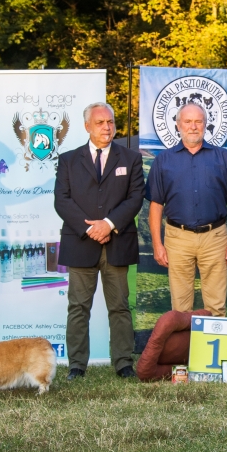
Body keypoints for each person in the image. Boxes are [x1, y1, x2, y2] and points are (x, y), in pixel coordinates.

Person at [54, 102, 144, 380]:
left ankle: (123, 363)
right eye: (101, 123)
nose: (107, 127)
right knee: (78, 307)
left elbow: (135, 197)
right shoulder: (68, 160)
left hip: (117, 243)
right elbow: (62, 201)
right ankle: (76, 366)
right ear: (87, 127)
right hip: (81, 244)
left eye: (110, 122)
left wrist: (109, 224)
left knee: (119, 306)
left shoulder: (131, 158)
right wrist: (90, 229)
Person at [146, 103, 227, 316]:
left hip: (215, 238)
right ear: (178, 125)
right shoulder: (163, 161)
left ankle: (212, 349)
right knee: (180, 308)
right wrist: (157, 244)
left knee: (216, 306)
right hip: (177, 238)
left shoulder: (224, 158)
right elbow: (155, 206)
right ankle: (185, 350)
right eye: (188, 121)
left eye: (198, 121)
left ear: (205, 124)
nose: (193, 126)